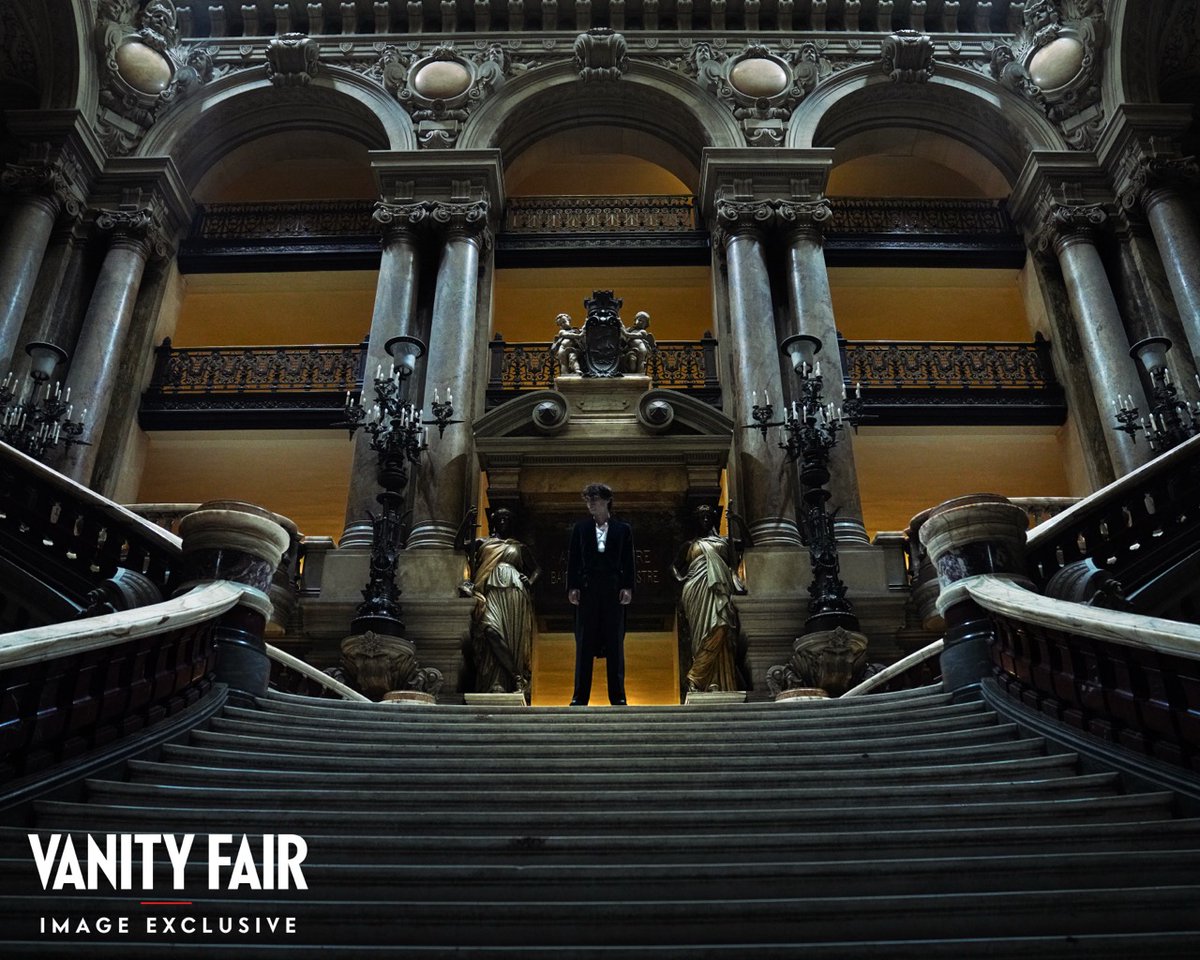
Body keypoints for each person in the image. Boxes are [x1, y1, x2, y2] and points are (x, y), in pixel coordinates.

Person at [567, 482, 635, 705]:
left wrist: (628, 587)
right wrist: (572, 587)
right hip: (587, 589)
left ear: (607, 501)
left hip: (613, 589)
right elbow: (573, 560)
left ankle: (618, 697)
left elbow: (628, 560)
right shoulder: (580, 528)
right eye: (588, 501)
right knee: (584, 643)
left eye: (594, 500)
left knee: (615, 643)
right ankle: (579, 697)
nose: (591, 505)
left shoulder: (623, 529)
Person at [460, 507, 540, 695]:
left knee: (511, 638)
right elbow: (458, 545)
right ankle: (516, 676)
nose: (503, 521)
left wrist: (530, 580)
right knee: (490, 630)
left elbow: (537, 569)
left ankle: (507, 684)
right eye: (500, 518)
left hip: (515, 593)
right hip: (490, 590)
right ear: (493, 521)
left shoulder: (518, 547)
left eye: (507, 518)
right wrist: (465, 523)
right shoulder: (483, 542)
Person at [673, 504, 748, 693]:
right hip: (696, 589)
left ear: (714, 519)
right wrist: (681, 577)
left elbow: (748, 544)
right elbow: (674, 566)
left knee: (721, 626)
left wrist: (737, 521)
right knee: (701, 634)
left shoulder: (724, 541)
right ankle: (706, 682)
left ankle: (698, 678)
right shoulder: (690, 545)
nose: (705, 520)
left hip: (719, 587)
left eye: (708, 517)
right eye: (701, 517)